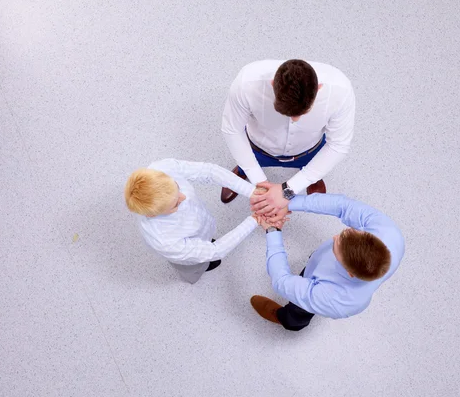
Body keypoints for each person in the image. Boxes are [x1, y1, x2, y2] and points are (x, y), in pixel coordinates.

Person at [220, 59, 356, 222]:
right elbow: (232, 130)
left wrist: (289, 190)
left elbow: (338, 145)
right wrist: (259, 181)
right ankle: (243, 171)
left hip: (309, 150)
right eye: (288, 114)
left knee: (317, 165)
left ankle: (312, 176)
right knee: (246, 164)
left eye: (302, 113)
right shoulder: (246, 83)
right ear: (272, 85)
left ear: (319, 89)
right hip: (258, 148)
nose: (295, 120)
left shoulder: (340, 91)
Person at [250, 193, 404, 331]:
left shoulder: (335, 301)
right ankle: (316, 262)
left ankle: (286, 319)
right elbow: (343, 206)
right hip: (323, 269)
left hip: (322, 293)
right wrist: (286, 203)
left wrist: (272, 231)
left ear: (349, 272)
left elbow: (281, 281)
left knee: (298, 312)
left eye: (337, 247)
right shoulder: (389, 232)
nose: (335, 237)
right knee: (319, 258)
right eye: (348, 232)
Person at [124, 158, 262, 284]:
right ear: (154, 215)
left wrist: (253, 193)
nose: (183, 197)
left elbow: (209, 171)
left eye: (177, 187)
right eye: (175, 204)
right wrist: (254, 220)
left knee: (206, 241)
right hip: (187, 259)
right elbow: (216, 251)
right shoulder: (165, 241)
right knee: (195, 268)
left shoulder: (161, 168)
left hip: (201, 229)